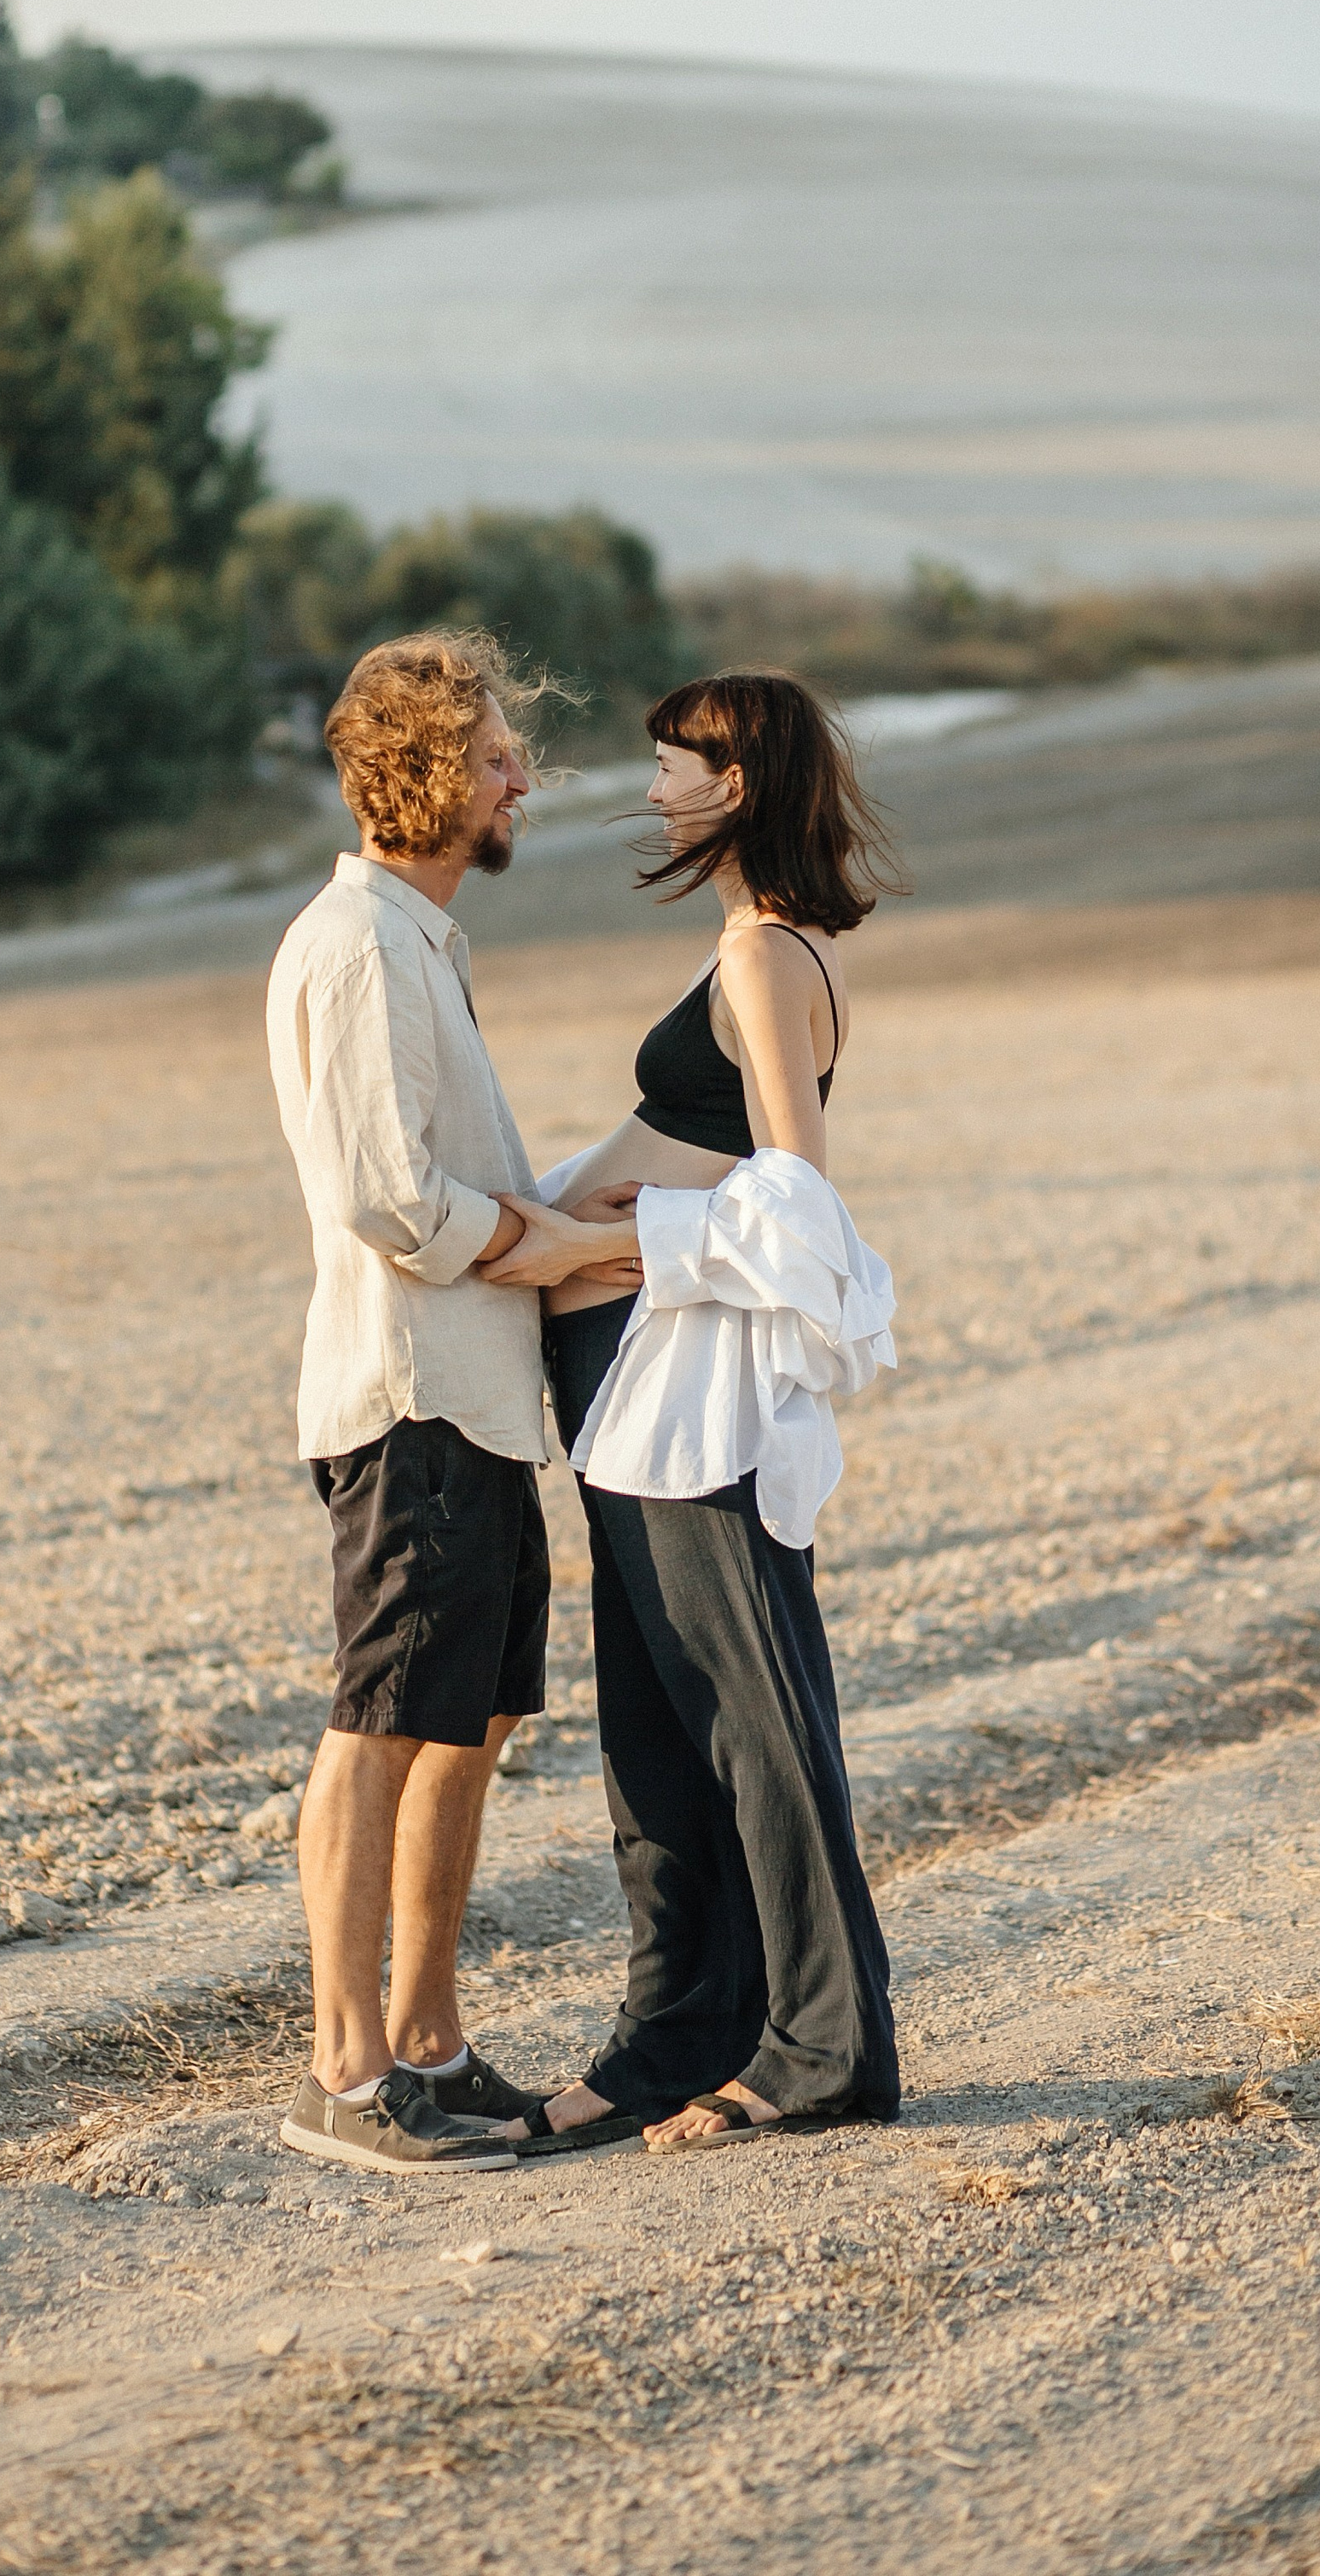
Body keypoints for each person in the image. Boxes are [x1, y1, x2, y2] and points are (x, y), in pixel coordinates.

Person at [475, 671, 902, 2153]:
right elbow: (698, 1156)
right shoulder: (737, 947)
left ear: (736, 784)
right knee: (660, 1735)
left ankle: (825, 2053)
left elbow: (799, 1210)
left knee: (756, 1725)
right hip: (628, 1387)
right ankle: (678, 2038)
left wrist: (593, 1239)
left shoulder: (772, 959)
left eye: (672, 766)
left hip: (686, 1391)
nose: (650, 789)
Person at [264, 631, 637, 2175]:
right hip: (408, 1398)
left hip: (478, 1402)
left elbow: (457, 1181)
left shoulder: (425, 942)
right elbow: (387, 1197)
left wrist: (595, 1209)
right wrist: (550, 1243)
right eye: (494, 759)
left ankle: (432, 2043)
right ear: (423, 775)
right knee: (382, 1724)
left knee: (467, 1726)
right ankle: (346, 2078)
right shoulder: (355, 948)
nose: (519, 783)